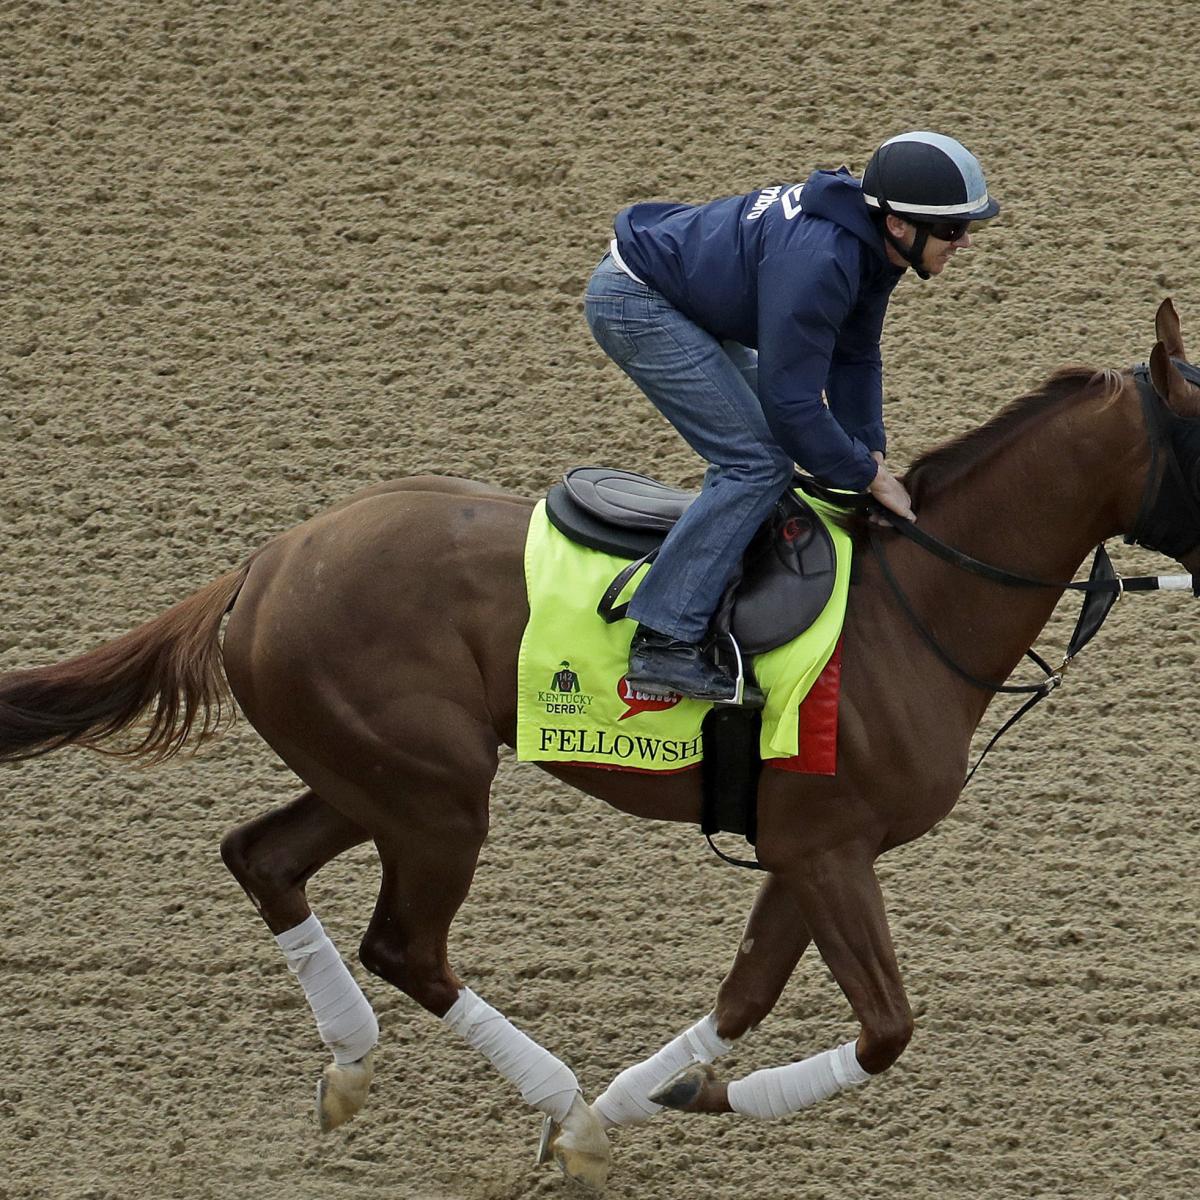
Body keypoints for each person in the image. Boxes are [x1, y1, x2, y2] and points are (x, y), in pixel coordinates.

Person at [584, 130, 1000, 703]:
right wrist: (865, 477)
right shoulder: (822, 260)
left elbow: (855, 353)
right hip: (637, 303)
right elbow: (793, 406)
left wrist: (869, 451)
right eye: (954, 229)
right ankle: (664, 640)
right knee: (757, 461)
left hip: (685, 298)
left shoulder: (875, 243)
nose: (965, 242)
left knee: (803, 451)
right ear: (901, 224)